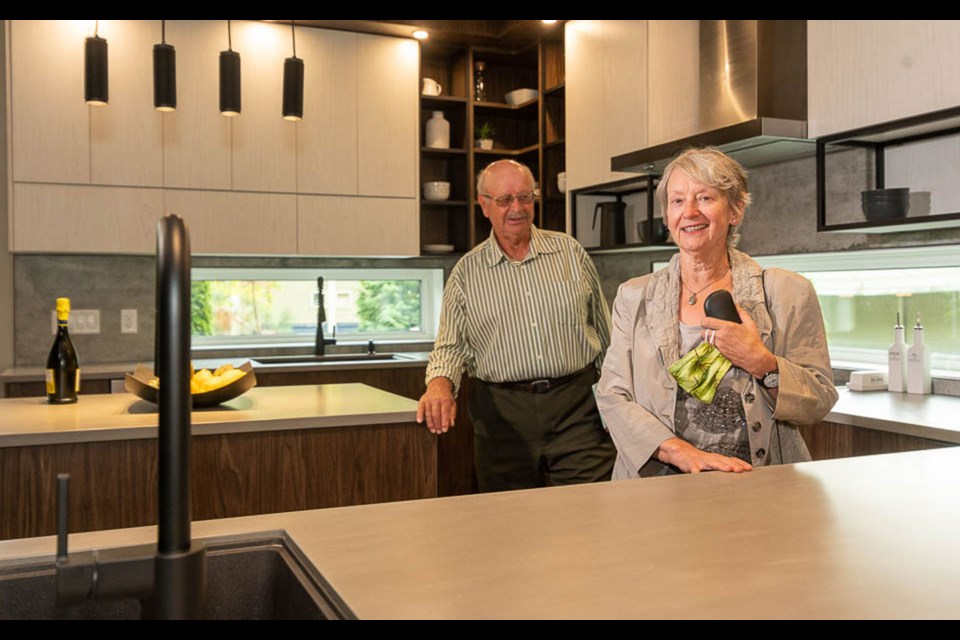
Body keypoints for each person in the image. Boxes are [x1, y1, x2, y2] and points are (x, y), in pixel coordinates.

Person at [596, 147, 838, 479]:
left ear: (736, 209)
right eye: (677, 201)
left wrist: (761, 362)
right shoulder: (633, 296)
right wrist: (680, 453)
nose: (689, 212)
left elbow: (819, 400)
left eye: (706, 198)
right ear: (667, 215)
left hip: (756, 485)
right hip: (657, 487)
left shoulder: (787, 293)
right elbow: (612, 396)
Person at [418, 159, 616, 492]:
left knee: (593, 509)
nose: (516, 208)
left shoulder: (570, 253)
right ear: (484, 205)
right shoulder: (466, 273)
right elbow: (450, 347)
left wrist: (619, 398)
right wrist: (439, 386)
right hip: (502, 416)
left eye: (524, 197)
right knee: (512, 524)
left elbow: (606, 334)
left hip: (578, 409)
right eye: (504, 199)